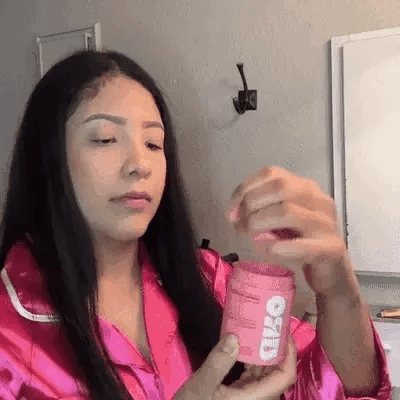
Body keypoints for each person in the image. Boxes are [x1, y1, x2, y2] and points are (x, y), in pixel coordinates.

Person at [0, 49, 391, 400]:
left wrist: (338, 288)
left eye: (153, 143)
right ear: (46, 158)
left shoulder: (210, 280)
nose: (140, 164)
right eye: (104, 139)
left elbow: (333, 388)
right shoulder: (9, 333)